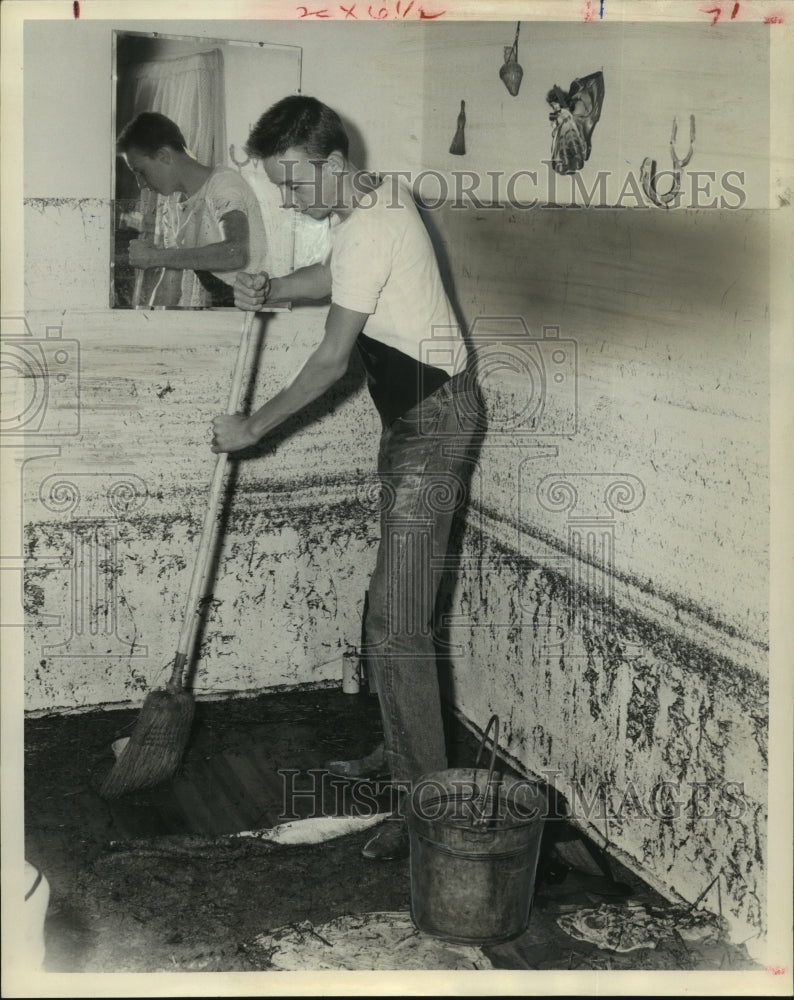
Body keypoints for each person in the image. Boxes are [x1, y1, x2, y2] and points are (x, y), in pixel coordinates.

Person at [211, 95, 481, 860]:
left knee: (398, 623)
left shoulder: (371, 224)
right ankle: (402, 754)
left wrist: (252, 428)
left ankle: (424, 809)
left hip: (434, 423)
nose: (288, 199)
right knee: (390, 608)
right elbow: (335, 276)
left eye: (294, 183)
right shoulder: (371, 198)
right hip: (416, 419)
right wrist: (274, 287)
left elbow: (331, 361)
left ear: (333, 164)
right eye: (279, 186)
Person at [117, 111, 269, 307]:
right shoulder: (172, 206)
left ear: (163, 156)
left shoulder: (223, 184)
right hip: (225, 312)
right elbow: (170, 286)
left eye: (141, 172)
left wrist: (154, 257)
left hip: (260, 311)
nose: (141, 184)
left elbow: (236, 253)